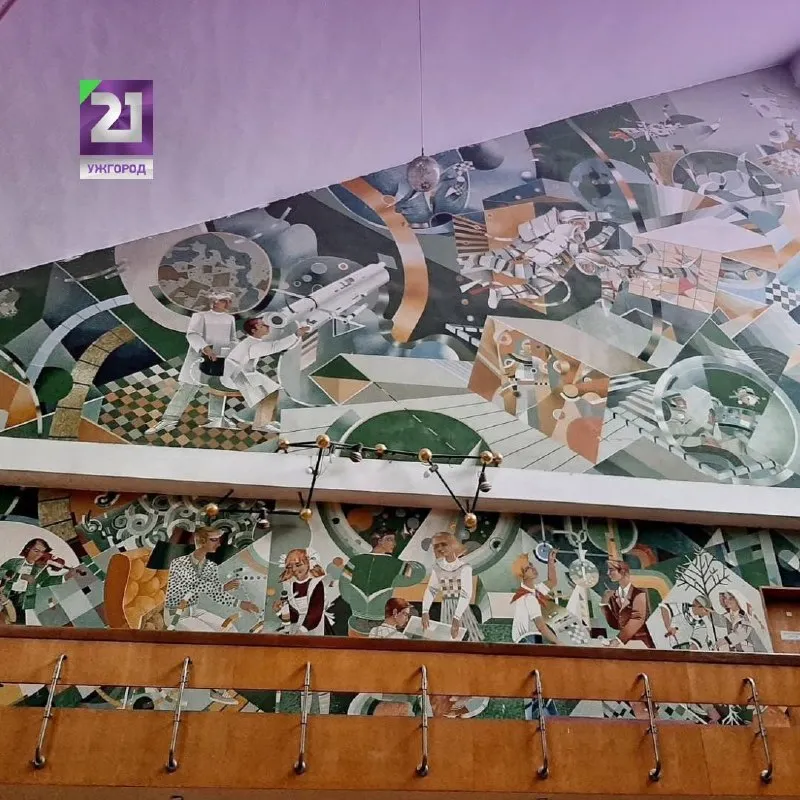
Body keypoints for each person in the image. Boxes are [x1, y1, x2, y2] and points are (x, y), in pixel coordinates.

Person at [147, 290, 238, 434]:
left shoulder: (229, 318)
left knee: (218, 387)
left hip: (220, 358)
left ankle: (216, 417)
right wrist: (206, 349)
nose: (222, 303)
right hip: (199, 357)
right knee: (188, 387)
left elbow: (232, 339)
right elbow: (193, 334)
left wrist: (234, 352)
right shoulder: (200, 316)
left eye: (225, 301)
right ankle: (169, 419)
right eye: (219, 300)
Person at [164, 527, 260, 632]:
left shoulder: (210, 566)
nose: (218, 544)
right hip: (176, 615)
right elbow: (192, 586)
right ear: (201, 541)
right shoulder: (179, 563)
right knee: (212, 636)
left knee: (231, 630)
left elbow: (216, 594)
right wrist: (222, 587)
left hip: (194, 611)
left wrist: (240, 604)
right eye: (214, 540)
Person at [222, 317, 309, 433]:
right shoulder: (253, 345)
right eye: (262, 325)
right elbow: (275, 346)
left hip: (239, 372)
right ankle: (262, 424)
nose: (267, 326)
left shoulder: (251, 341)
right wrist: (296, 334)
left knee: (272, 389)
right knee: (271, 391)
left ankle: (267, 420)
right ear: (254, 331)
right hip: (236, 376)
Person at [422, 532, 483, 641]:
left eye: (443, 544)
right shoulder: (437, 567)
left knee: (466, 638)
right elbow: (431, 590)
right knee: (447, 639)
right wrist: (425, 611)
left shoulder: (465, 568)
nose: (440, 548)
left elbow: (466, 594)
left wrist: (456, 617)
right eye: (436, 546)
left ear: (452, 544)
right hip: (446, 608)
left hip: (462, 609)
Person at [0, 538, 77, 624]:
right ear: (28, 549)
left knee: (17, 625)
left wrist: (65, 577)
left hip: (23, 599)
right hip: (6, 593)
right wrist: (21, 576)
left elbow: (45, 581)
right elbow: (1, 572)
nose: (39, 555)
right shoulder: (14, 562)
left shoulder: (39, 569)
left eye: (42, 552)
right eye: (36, 551)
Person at [600, 560, 654, 648]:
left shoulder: (639, 593)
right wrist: (604, 604)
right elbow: (615, 624)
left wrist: (618, 640)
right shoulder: (614, 595)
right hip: (625, 644)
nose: (608, 573)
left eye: (611, 570)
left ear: (622, 571)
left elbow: (637, 619)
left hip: (641, 643)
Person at [273, 548, 327, 636]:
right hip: (296, 627)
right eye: (290, 567)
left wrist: (302, 631)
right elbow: (294, 617)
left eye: (298, 565)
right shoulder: (289, 585)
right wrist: (279, 611)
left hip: (313, 626)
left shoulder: (316, 584)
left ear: (308, 563)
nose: (294, 569)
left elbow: (316, 612)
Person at [510, 551, 560, 644]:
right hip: (526, 640)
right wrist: (560, 643)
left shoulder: (534, 589)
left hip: (530, 637)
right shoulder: (529, 597)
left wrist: (551, 561)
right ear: (523, 576)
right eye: (527, 569)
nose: (533, 568)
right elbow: (541, 627)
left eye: (531, 565)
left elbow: (552, 581)